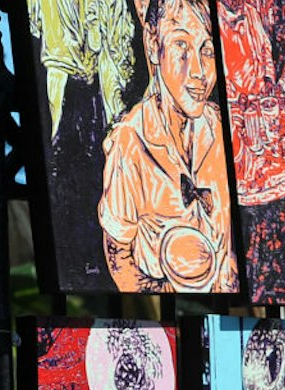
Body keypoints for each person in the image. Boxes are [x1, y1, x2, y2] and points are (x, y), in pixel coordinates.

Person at [98, 0, 239, 293]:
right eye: (181, 46)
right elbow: (119, 260)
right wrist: (165, 294)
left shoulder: (221, 128)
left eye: (208, 50)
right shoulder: (130, 142)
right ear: (153, 44)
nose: (199, 71)